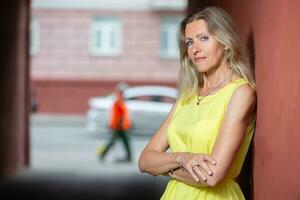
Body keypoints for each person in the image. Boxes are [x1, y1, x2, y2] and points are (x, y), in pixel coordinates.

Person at [138, 6, 256, 200]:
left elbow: (212, 176)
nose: (195, 49)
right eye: (189, 42)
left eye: (204, 38)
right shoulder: (186, 97)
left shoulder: (240, 93)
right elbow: (144, 160)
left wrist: (165, 169)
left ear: (225, 42)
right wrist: (182, 158)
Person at [99, 82, 132, 162]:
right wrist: (119, 125)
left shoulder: (120, 100)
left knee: (125, 142)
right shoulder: (118, 102)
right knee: (113, 142)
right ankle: (102, 154)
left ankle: (129, 157)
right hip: (119, 127)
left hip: (121, 126)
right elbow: (119, 116)